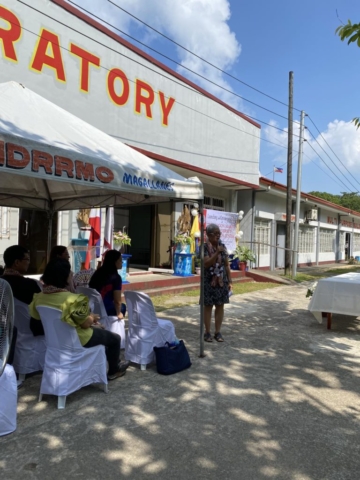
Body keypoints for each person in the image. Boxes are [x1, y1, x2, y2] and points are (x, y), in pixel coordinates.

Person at [29, 258, 129, 380]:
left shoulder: (39, 297)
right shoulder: (73, 299)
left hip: (54, 342)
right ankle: (114, 370)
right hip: (79, 339)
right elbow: (86, 324)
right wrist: (92, 317)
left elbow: (36, 320)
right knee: (115, 338)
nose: (71, 274)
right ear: (64, 276)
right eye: (69, 272)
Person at [1, 245, 44, 337]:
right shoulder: (30, 285)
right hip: (31, 336)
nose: (29, 263)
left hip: (7, 336)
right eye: (27, 259)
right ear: (17, 262)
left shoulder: (2, 284)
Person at [203, 223, 233, 342]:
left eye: (219, 233)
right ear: (209, 235)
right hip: (208, 282)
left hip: (221, 281)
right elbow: (206, 263)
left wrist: (230, 281)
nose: (218, 235)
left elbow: (226, 265)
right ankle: (207, 332)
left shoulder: (222, 246)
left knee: (220, 305)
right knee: (208, 306)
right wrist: (216, 253)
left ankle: (217, 332)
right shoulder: (204, 247)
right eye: (215, 233)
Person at [89, 250, 126, 318]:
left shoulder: (97, 272)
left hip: (92, 307)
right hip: (105, 309)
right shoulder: (116, 278)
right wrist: (118, 313)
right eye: (120, 260)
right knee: (123, 307)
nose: (122, 262)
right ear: (114, 262)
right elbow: (117, 301)